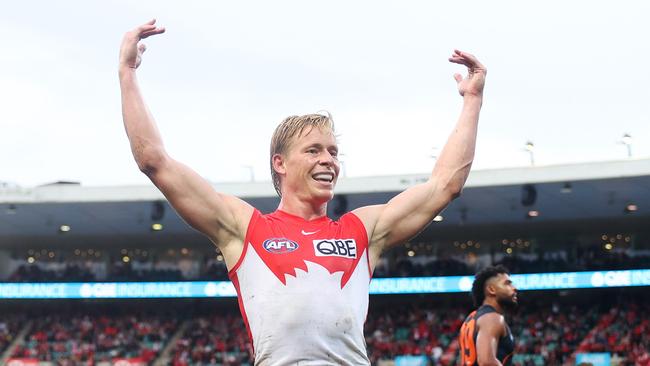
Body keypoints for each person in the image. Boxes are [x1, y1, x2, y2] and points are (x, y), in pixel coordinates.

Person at [119, 19, 486, 365]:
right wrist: (128, 73)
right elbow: (155, 160)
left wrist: (472, 101)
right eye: (313, 150)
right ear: (280, 163)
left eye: (333, 152)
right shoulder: (246, 227)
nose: (329, 161)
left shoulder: (361, 230)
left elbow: (445, 185)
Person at [458, 265, 518, 366]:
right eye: (507, 284)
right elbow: (487, 362)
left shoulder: (471, 318)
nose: (515, 288)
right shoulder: (492, 318)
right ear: (491, 289)